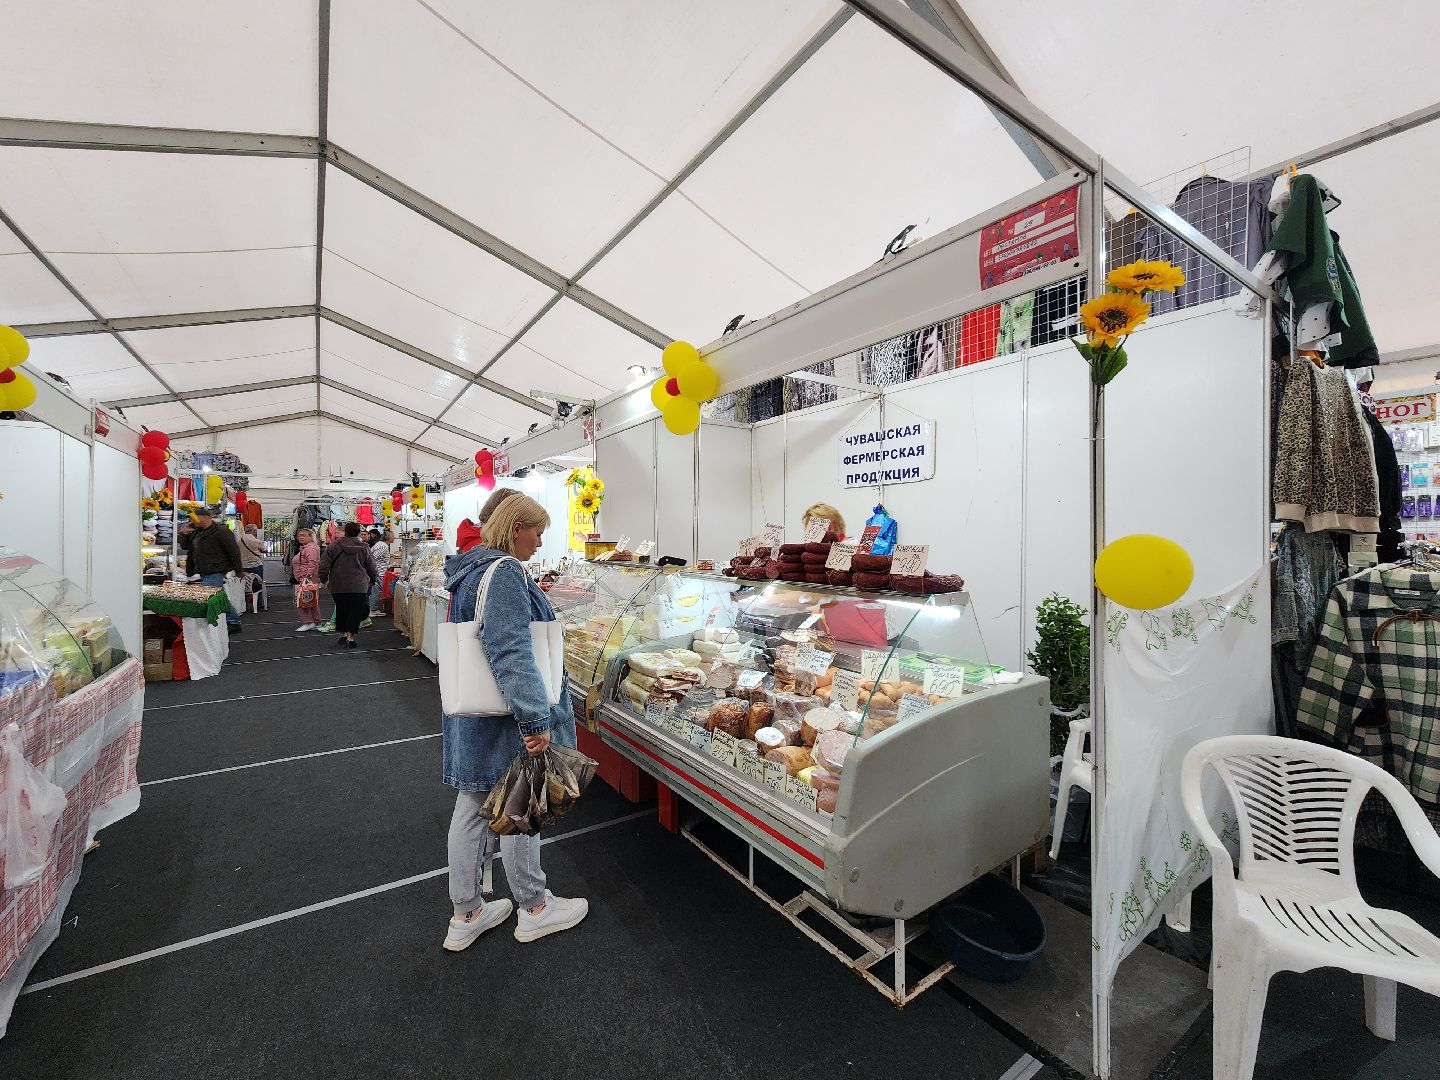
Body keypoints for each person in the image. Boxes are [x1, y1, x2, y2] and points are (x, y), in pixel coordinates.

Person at [441, 493, 585, 951]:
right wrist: (534, 718)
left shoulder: (470, 568)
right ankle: (535, 908)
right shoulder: (503, 571)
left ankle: (467, 912)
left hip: (478, 715)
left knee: (472, 808)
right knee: (521, 804)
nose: (540, 542)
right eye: (537, 532)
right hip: (507, 716)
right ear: (516, 527)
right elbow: (510, 648)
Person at [178, 508, 244, 633]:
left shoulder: (221, 531)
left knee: (209, 596)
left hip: (216, 569)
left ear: (204, 517)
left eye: (194, 518)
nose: (192, 521)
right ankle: (233, 621)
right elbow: (185, 547)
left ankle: (226, 622)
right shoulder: (196, 532)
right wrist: (183, 533)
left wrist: (238, 570)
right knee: (218, 597)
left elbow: (233, 551)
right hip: (202, 570)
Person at [318, 522, 378, 649]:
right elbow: (372, 566)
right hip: (358, 584)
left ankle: (344, 634)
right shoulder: (364, 547)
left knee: (341, 609)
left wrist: (323, 579)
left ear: (345, 531)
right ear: (358, 533)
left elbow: (324, 564)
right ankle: (351, 637)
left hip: (338, 584)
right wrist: (373, 579)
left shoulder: (334, 546)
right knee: (355, 610)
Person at [291, 527, 322, 632]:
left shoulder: (310, 548)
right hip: (306, 578)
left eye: (304, 535)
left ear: (311, 536)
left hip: (307, 579)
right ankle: (315, 622)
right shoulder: (307, 548)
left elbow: (313, 563)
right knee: (311, 601)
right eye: (299, 536)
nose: (301, 537)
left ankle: (309, 622)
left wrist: (308, 576)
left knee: (301, 601)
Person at [368, 530, 392, 617]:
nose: (394, 537)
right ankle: (372, 610)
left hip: (377, 571)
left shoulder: (379, 544)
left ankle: (373, 608)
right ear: (388, 537)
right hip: (379, 572)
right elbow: (373, 558)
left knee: (375, 591)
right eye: (392, 536)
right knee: (376, 591)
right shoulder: (383, 546)